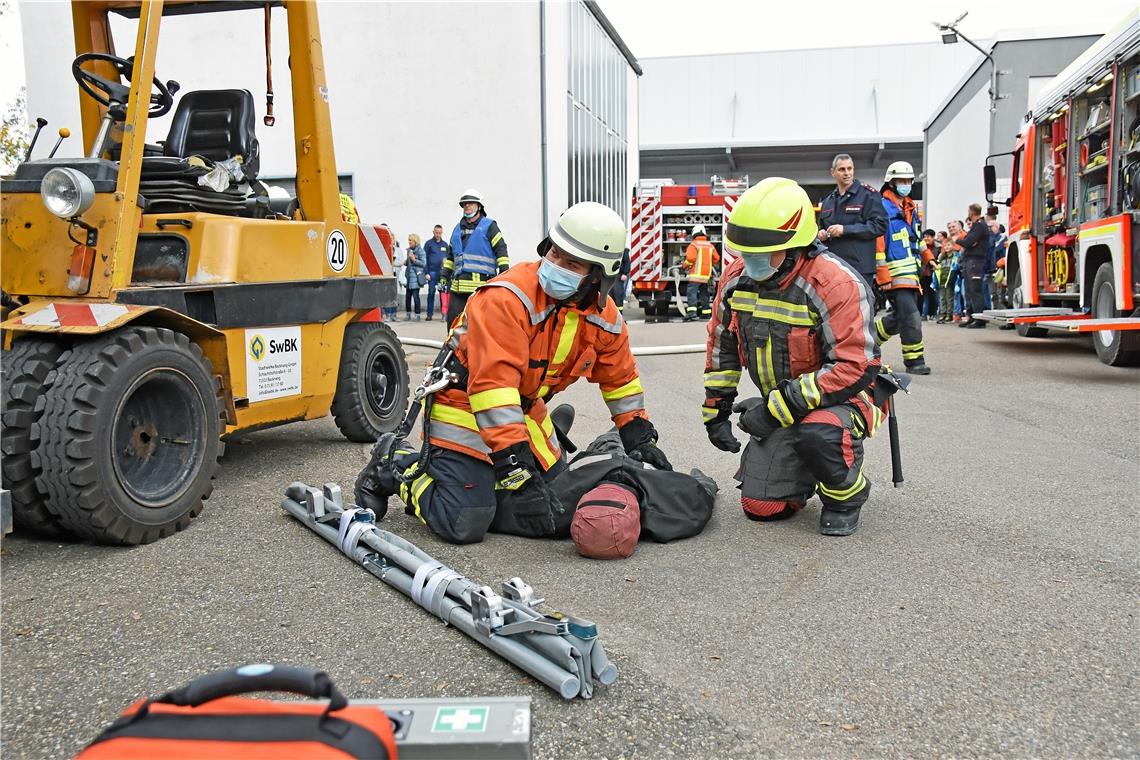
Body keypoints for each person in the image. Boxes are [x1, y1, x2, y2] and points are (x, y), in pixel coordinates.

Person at [354, 202, 674, 545]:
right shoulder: (508, 300)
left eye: (571, 264)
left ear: (599, 277)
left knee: (553, 500)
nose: (554, 265)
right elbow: (493, 389)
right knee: (464, 519)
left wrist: (637, 432)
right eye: (553, 253)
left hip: (520, 407)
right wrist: (514, 464)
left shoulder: (605, 317)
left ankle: (506, 463)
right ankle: (396, 463)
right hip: (464, 406)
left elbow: (620, 379)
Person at [702, 177, 886, 537]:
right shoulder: (735, 279)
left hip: (848, 395)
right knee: (762, 507)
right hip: (788, 400)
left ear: (797, 245)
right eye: (745, 252)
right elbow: (722, 344)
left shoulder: (835, 284)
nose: (750, 261)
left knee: (820, 432)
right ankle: (800, 470)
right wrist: (716, 409)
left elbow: (854, 366)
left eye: (762, 252)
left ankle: (846, 495)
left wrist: (772, 410)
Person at [872, 161, 932, 375]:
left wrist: (928, 257)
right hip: (894, 274)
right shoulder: (882, 207)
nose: (905, 184)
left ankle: (866, 342)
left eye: (908, 180)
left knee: (899, 318)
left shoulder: (909, 207)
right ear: (891, 182)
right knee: (911, 317)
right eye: (901, 181)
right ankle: (915, 361)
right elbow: (879, 243)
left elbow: (917, 238)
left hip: (912, 274)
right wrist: (882, 274)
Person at [817, 153, 889, 289]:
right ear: (833, 172)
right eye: (842, 169)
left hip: (859, 268)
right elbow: (822, 227)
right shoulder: (828, 201)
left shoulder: (868, 195)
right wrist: (821, 234)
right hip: (834, 267)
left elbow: (880, 225)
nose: (847, 173)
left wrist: (845, 230)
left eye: (849, 169)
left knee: (859, 308)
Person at [440, 189, 510, 327]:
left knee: (480, 326)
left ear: (479, 206)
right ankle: (453, 349)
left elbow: (501, 250)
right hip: (458, 289)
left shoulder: (489, 226)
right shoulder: (457, 229)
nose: (467, 206)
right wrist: (444, 275)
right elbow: (450, 257)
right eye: (465, 204)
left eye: (471, 203)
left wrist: (504, 273)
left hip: (481, 288)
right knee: (453, 324)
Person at [958, 205, 990, 329]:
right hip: (969, 260)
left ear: (971, 212)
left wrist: (958, 240)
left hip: (976, 260)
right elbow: (970, 242)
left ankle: (979, 318)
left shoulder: (980, 225)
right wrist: (967, 242)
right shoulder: (976, 226)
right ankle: (971, 316)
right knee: (969, 290)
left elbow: (968, 242)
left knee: (975, 289)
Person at [682, 224, 720, 321]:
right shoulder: (710, 245)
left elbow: (690, 258)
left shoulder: (694, 244)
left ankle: (692, 312)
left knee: (692, 293)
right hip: (706, 276)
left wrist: (684, 265)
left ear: (694, 233)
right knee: (704, 294)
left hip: (695, 275)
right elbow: (716, 258)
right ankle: (706, 313)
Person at [422, 224, 448, 321]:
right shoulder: (428, 244)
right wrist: (426, 273)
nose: (438, 234)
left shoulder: (445, 245)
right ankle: (429, 314)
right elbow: (424, 260)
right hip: (431, 273)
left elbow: (448, 259)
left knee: (443, 294)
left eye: (440, 233)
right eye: (436, 232)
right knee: (431, 293)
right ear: (433, 232)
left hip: (442, 274)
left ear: (442, 233)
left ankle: (444, 314)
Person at [404, 233, 426, 321]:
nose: (409, 242)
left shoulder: (421, 251)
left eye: (410, 240)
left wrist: (414, 260)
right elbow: (409, 264)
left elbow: (423, 264)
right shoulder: (409, 250)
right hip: (409, 277)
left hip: (416, 278)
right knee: (407, 297)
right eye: (408, 240)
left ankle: (417, 315)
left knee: (416, 296)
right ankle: (408, 314)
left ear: (415, 241)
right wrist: (406, 262)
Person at [920, 229, 939, 319]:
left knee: (932, 295)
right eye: (924, 237)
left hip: (933, 273)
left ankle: (932, 313)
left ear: (933, 237)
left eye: (928, 237)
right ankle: (922, 314)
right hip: (922, 273)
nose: (926, 238)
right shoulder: (921, 247)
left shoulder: (938, 247)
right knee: (921, 295)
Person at [610, 247, 632, 311]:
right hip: (609, 275)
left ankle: (619, 312)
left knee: (618, 294)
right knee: (609, 295)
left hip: (618, 276)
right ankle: (611, 311)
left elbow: (627, 262)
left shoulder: (623, 250)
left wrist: (625, 273)